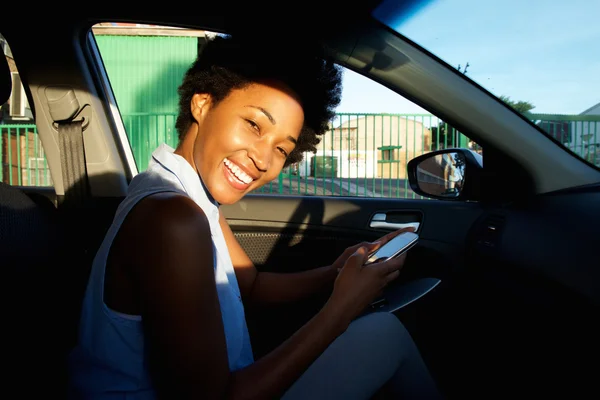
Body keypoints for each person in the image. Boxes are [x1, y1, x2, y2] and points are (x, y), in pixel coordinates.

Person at [67, 33, 443, 399]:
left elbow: (251, 286)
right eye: (253, 125)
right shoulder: (173, 219)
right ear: (202, 104)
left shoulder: (185, 195)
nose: (264, 160)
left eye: (282, 149)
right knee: (385, 335)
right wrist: (340, 311)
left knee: (382, 333)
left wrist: (335, 273)